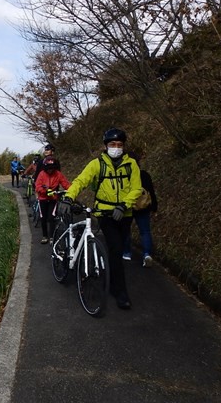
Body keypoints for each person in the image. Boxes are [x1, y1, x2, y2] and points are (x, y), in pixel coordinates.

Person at [64, 127, 141, 310]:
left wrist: (124, 205)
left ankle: (113, 282)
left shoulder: (131, 165)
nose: (116, 148)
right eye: (112, 144)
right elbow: (80, 181)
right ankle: (120, 292)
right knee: (115, 250)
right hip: (105, 214)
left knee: (118, 249)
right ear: (106, 146)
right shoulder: (97, 164)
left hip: (125, 214)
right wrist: (68, 197)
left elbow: (136, 188)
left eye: (119, 145)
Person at [123, 152, 158, 267]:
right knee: (145, 231)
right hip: (143, 207)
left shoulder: (125, 176)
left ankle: (127, 253)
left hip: (128, 207)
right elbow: (151, 192)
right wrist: (154, 206)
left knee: (126, 230)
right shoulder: (144, 175)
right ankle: (147, 254)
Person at [35, 156, 71, 244]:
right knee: (43, 217)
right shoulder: (42, 174)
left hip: (53, 199)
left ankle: (52, 236)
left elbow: (65, 184)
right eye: (48, 168)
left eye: (52, 168)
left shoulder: (58, 174)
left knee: (52, 217)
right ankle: (44, 236)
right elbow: (38, 186)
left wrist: (71, 191)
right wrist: (45, 191)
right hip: (42, 198)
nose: (50, 170)